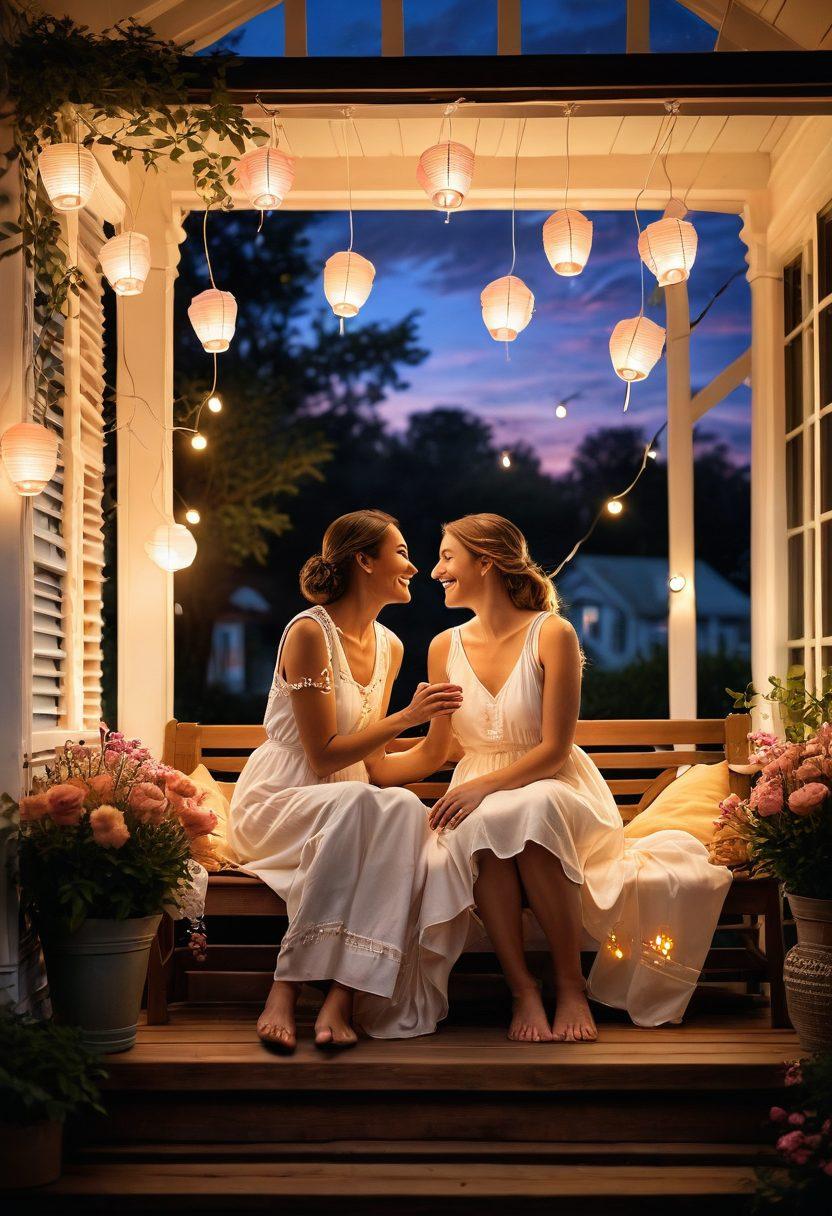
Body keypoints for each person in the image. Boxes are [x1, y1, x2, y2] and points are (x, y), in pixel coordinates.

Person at [416, 513, 731, 1042]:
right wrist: (369, 753)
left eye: (447, 557)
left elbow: (554, 748)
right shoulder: (442, 648)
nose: (435, 571)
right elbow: (438, 748)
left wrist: (479, 787)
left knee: (526, 810)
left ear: (486, 562)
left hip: (554, 786)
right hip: (480, 793)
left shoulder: (552, 633)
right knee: (486, 825)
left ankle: (569, 987)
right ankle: (523, 990)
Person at [228, 509, 462, 1050]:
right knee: (364, 803)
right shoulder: (310, 631)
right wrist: (407, 716)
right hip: (281, 801)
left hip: (348, 804)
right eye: (401, 552)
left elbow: (377, 766)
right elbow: (323, 755)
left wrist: (441, 731)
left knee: (403, 808)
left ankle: (342, 993)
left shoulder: (390, 646)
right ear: (364, 560)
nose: (413, 565)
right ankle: (284, 986)